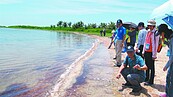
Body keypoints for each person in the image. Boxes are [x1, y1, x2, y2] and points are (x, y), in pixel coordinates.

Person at [156, 24, 173, 97]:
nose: (160, 35)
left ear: (163, 32)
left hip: (172, 61)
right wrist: (164, 41)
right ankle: (167, 93)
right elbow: (170, 46)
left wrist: (166, 66)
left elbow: (172, 55)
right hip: (171, 62)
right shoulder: (170, 37)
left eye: (160, 33)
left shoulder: (172, 38)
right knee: (168, 77)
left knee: (171, 79)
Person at [142, 19, 160, 85]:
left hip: (151, 52)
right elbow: (145, 42)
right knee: (146, 66)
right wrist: (143, 51)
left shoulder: (156, 33)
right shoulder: (148, 32)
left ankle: (151, 81)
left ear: (153, 26)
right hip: (147, 51)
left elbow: (156, 44)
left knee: (151, 67)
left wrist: (154, 55)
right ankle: (146, 78)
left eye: (151, 26)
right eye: (149, 25)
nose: (149, 27)